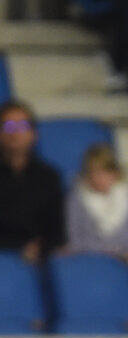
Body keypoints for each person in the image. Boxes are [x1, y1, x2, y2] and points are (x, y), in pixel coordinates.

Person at [63, 143, 128, 275]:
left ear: (115, 173)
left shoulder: (126, 198)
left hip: (127, 267)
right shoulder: (76, 200)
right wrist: (115, 254)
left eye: (101, 172)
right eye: (90, 172)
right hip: (92, 266)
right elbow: (76, 240)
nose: (95, 178)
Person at [0, 100, 64, 262]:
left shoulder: (49, 177)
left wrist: (41, 248)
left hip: (40, 261)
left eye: (21, 126)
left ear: (33, 133)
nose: (14, 133)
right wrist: (18, 247)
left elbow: (58, 233)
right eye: (8, 126)